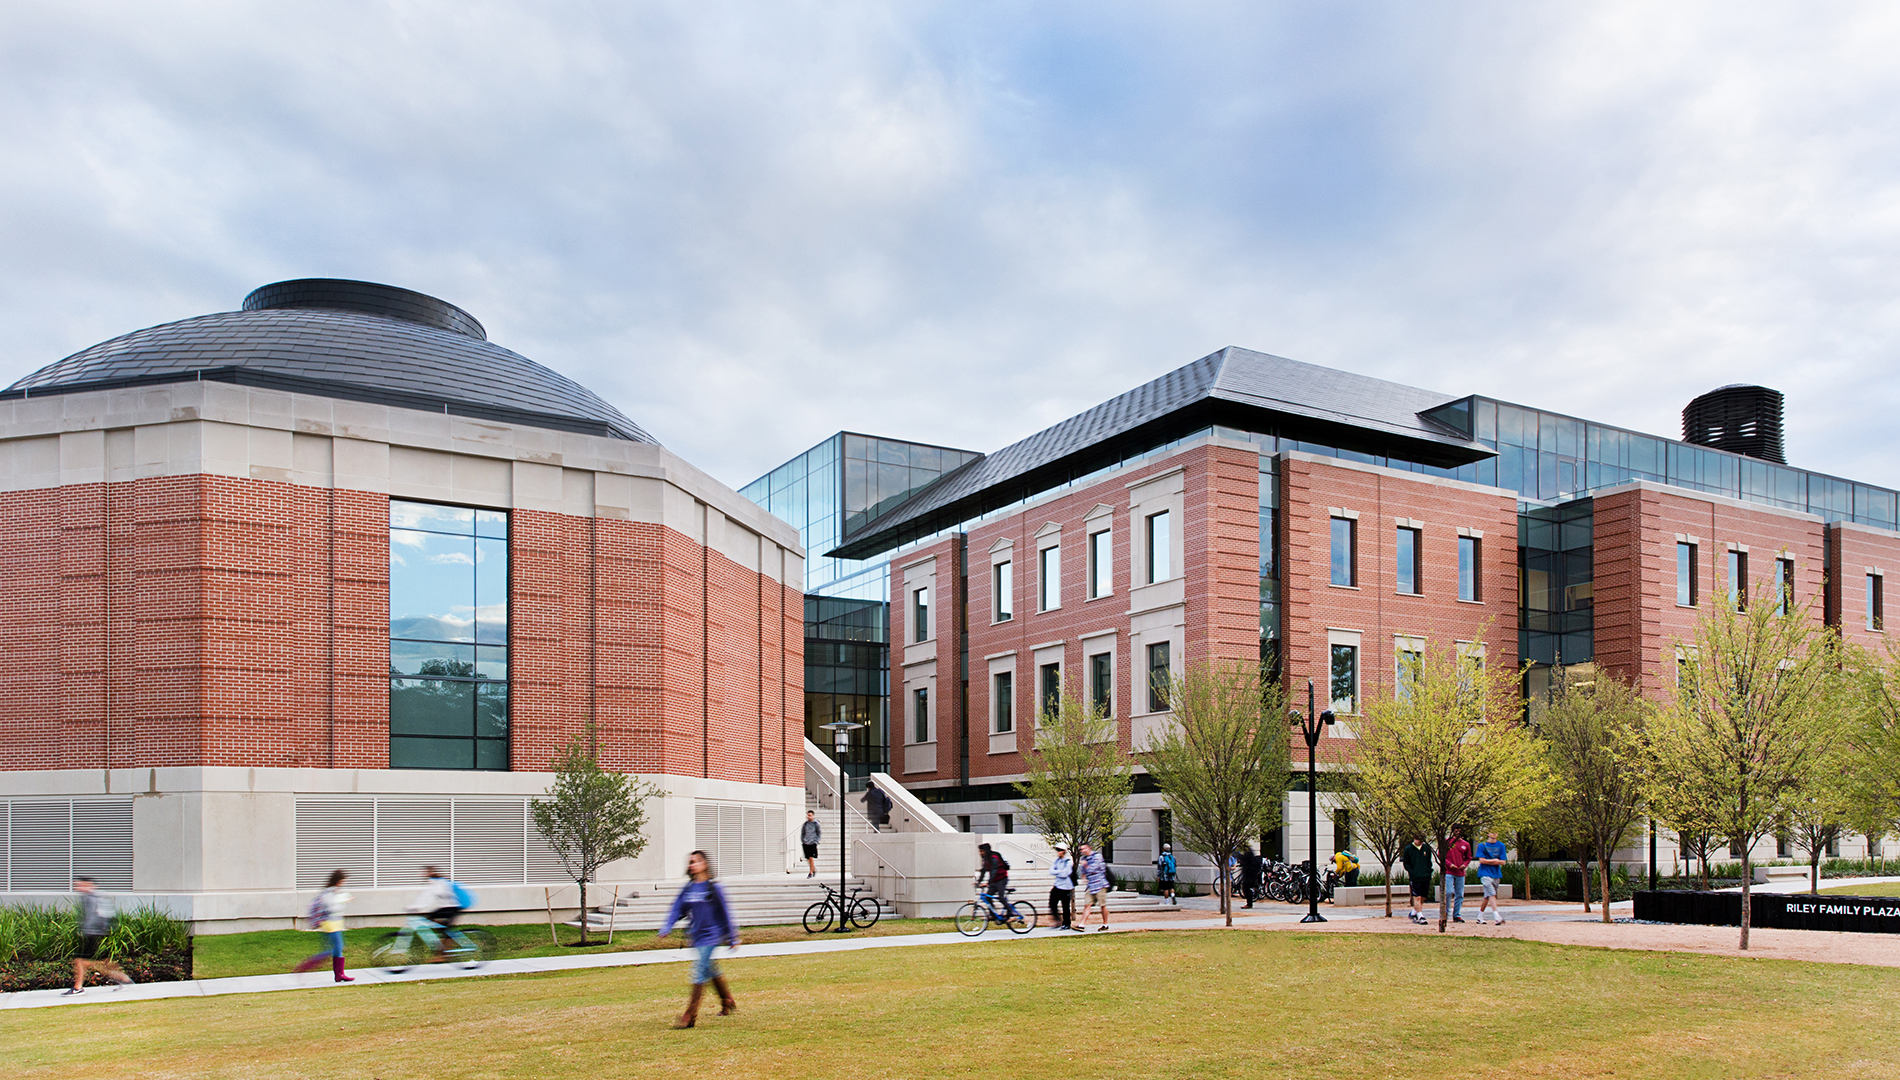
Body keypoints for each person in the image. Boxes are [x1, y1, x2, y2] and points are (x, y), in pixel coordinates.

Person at [658, 850, 741, 1028]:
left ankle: (689, 1016)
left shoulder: (713, 888)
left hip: (712, 935)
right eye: (690, 862)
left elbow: (725, 913)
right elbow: (677, 908)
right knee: (709, 967)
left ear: (704, 864)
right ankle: (727, 999)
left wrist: (733, 937)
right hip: (697, 936)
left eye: (695, 861)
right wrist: (667, 926)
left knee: (699, 970)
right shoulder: (689, 889)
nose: (691, 865)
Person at [64, 877, 133, 995]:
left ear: (89, 885)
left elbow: (99, 917)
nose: (77, 887)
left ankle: (78, 988)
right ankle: (122, 978)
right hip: (93, 933)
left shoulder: (94, 899)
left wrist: (90, 930)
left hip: (93, 934)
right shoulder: (89, 897)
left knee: (80, 961)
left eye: (80, 885)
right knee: (103, 962)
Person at [293, 869, 355, 982]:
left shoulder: (332, 892)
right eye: (343, 881)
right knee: (333, 949)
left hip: (334, 924)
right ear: (339, 881)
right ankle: (304, 966)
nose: (344, 883)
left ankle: (339, 975)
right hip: (330, 925)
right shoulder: (329, 893)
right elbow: (332, 909)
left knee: (337, 949)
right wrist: (344, 900)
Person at [408, 866, 473, 958]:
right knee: (435, 923)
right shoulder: (437, 882)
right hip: (448, 907)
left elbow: (429, 897)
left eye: (427, 872)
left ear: (431, 873)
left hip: (454, 907)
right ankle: (443, 951)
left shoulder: (438, 883)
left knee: (441, 927)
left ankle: (444, 953)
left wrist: (415, 907)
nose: (424, 874)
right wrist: (415, 907)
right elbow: (425, 896)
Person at [1475, 830, 1510, 925]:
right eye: (1492, 832)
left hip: (1496, 874)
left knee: (1487, 896)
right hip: (1485, 873)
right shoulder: (1482, 845)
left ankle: (1480, 915)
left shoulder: (1501, 845)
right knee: (1492, 894)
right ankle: (1497, 916)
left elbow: (1503, 861)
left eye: (1496, 832)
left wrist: (1491, 861)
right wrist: (1494, 860)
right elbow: (1481, 860)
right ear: (1488, 834)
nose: (1494, 834)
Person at [1400, 836, 1435, 925]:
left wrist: (1429, 871)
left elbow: (1428, 861)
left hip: (1425, 876)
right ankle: (1420, 916)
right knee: (1417, 897)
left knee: (1423, 897)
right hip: (1415, 877)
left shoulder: (1426, 848)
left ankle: (1414, 912)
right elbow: (1406, 863)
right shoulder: (1408, 849)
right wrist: (1412, 872)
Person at [1076, 843, 1111, 931]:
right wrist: (1084, 876)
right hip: (1091, 885)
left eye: (1084, 849)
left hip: (1100, 884)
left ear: (1089, 848)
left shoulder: (1097, 857)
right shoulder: (1084, 859)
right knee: (1087, 905)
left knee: (1102, 905)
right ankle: (1082, 924)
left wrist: (1085, 865)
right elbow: (1083, 872)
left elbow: (1094, 869)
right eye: (1081, 849)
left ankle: (1105, 924)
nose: (1083, 851)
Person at [1444, 827, 1473, 924]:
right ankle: (1445, 913)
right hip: (1449, 871)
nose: (1458, 832)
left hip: (1460, 872)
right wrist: (1449, 864)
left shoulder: (1466, 844)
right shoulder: (1447, 842)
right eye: (1456, 830)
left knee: (1459, 894)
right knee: (1448, 892)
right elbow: (1441, 855)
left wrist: (1464, 865)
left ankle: (1456, 914)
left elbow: (1469, 857)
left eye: (1460, 830)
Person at [1049, 844, 1076, 930]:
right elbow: (1051, 871)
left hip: (1066, 887)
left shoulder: (1068, 861)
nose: (1058, 852)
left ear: (1064, 851)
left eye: (1059, 850)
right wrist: (1060, 871)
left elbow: (1065, 874)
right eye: (1057, 850)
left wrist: (1058, 872)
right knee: (1052, 903)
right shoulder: (1057, 861)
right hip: (1057, 886)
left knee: (1065, 906)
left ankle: (1066, 923)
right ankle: (1057, 920)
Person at [1239, 844, 1263, 908]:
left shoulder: (1248, 855)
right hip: (1249, 873)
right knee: (1246, 888)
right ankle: (1249, 902)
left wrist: (1237, 856)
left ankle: (1249, 903)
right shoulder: (1250, 854)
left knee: (1246, 888)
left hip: (1249, 874)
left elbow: (1244, 859)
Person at [800, 810, 821, 878]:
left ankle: (810, 872)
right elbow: (803, 833)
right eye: (808, 815)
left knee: (811, 857)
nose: (809, 817)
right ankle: (813, 868)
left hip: (812, 842)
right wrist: (803, 840)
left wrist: (816, 841)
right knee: (807, 858)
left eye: (810, 815)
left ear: (813, 816)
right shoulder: (805, 824)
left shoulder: (816, 824)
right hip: (806, 842)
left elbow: (819, 833)